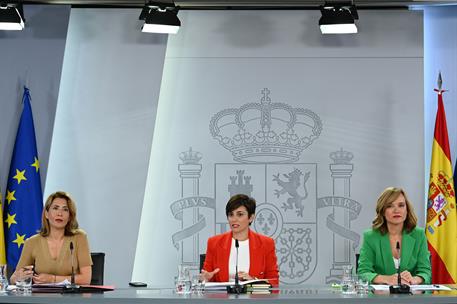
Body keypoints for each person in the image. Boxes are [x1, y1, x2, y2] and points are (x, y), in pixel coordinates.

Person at [10, 191, 92, 285]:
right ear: (46, 214)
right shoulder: (32, 242)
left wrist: (53, 279)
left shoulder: (79, 237)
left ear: (70, 216)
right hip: (40, 298)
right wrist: (18, 278)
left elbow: (86, 279)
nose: (60, 213)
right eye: (55, 208)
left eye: (65, 210)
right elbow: (13, 279)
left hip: (72, 298)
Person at [358, 187, 431, 285]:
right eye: (390, 206)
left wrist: (414, 280)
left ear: (407, 210)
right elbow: (363, 272)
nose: (396, 210)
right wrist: (386, 279)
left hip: (412, 297)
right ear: (383, 211)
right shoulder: (371, 237)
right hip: (380, 298)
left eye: (401, 205)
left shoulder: (419, 235)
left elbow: (425, 272)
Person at [201, 194, 279, 286]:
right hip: (222, 299)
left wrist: (253, 280)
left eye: (240, 214)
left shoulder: (266, 243)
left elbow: (274, 282)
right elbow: (207, 278)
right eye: (231, 215)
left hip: (254, 299)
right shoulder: (214, 242)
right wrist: (206, 279)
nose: (234, 219)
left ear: (251, 217)